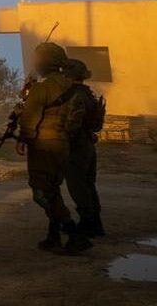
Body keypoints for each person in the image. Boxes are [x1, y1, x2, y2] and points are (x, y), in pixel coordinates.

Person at [16, 41, 91, 254]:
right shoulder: (71, 86)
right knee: (53, 189)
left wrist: (23, 138)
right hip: (64, 144)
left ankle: (73, 233)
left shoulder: (42, 88)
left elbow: (29, 119)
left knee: (42, 192)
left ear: (44, 63)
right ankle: (53, 236)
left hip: (43, 146)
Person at [62, 57, 105, 237]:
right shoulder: (88, 94)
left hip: (76, 146)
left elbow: (72, 124)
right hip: (88, 144)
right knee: (88, 185)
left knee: (77, 186)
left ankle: (87, 224)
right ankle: (95, 223)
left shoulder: (75, 96)